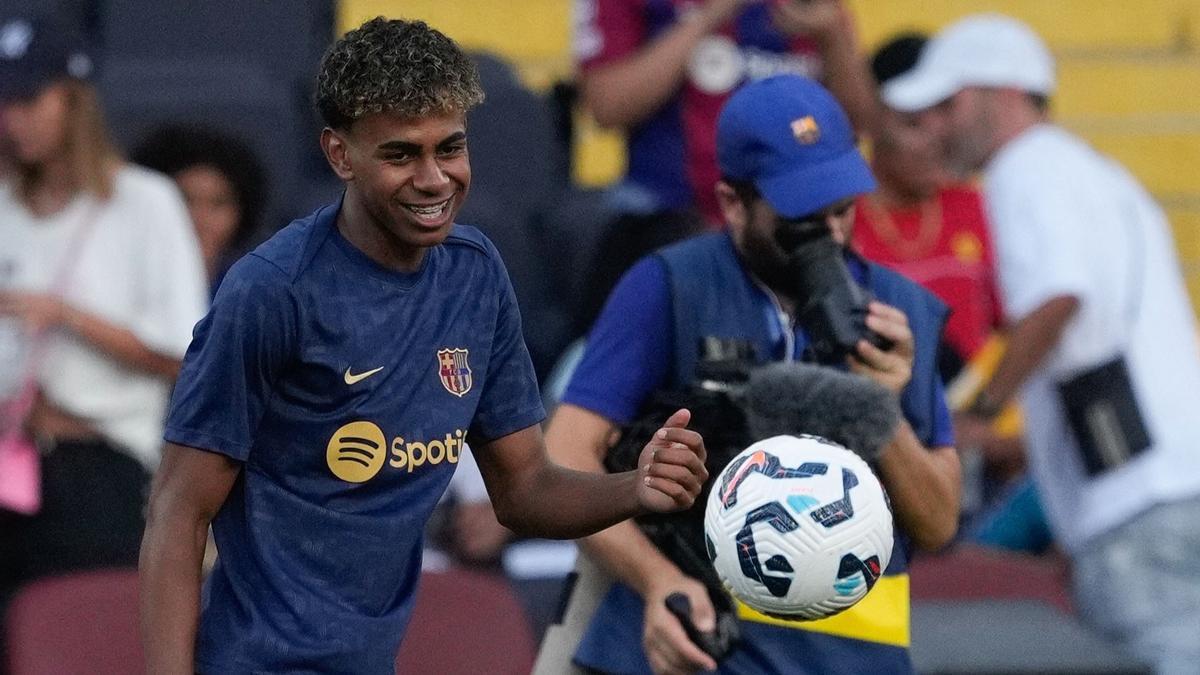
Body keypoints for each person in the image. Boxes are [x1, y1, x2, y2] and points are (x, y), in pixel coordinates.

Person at [137, 18, 710, 675]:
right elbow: (179, 512)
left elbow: (524, 489)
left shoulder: (476, 272)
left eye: (451, 147)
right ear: (340, 154)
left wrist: (633, 488)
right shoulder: (273, 293)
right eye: (402, 154)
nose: (436, 179)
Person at [546, 74, 960, 674]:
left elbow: (940, 522)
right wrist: (657, 579)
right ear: (734, 204)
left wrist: (877, 409)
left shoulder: (898, 311)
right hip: (690, 647)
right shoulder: (671, 285)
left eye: (843, 209)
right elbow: (564, 458)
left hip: (846, 659)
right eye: (802, 219)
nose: (831, 235)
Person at [884, 14, 1200, 672]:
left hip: (1139, 499)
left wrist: (975, 414)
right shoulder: (1094, 174)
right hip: (1167, 479)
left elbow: (1060, 295)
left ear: (1005, 94)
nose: (936, 127)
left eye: (949, 103)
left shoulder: (1024, 171)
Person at [0, 10, 207, 594]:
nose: (11, 119)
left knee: (78, 636)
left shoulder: (145, 203)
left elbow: (185, 355)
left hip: (100, 464)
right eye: (3, 101)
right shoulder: (5, 203)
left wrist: (66, 315)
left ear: (73, 100)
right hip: (11, 455)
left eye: (28, 99)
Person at [572, 0, 875, 229]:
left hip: (784, 213)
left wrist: (831, 36)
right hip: (663, 209)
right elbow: (606, 106)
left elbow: (857, 126)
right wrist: (709, 17)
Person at [130, 125, 267, 294]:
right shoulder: (121, 287)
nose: (201, 219)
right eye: (186, 200)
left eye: (218, 203)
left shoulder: (255, 295)